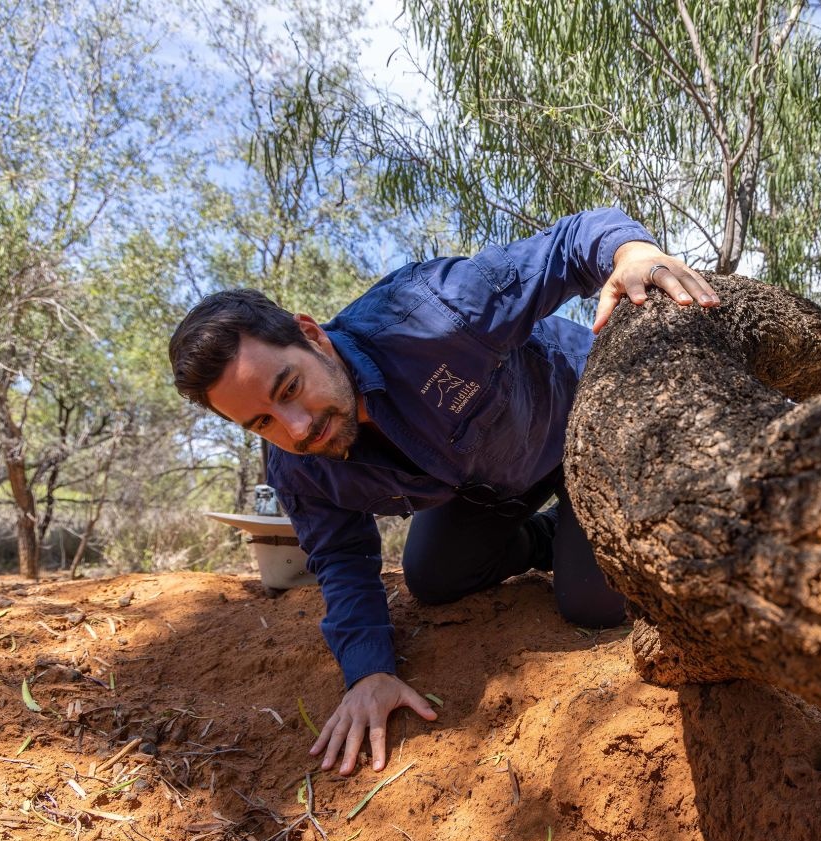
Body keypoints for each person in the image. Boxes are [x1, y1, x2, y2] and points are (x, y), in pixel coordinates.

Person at [169, 208, 717, 775]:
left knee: (590, 602)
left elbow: (571, 241)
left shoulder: (431, 312)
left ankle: (604, 530)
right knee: (435, 578)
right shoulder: (295, 465)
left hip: (586, 424)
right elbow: (340, 558)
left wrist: (633, 254)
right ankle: (557, 536)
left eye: (290, 388)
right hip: (492, 485)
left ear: (312, 337)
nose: (296, 428)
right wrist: (368, 672)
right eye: (262, 422)